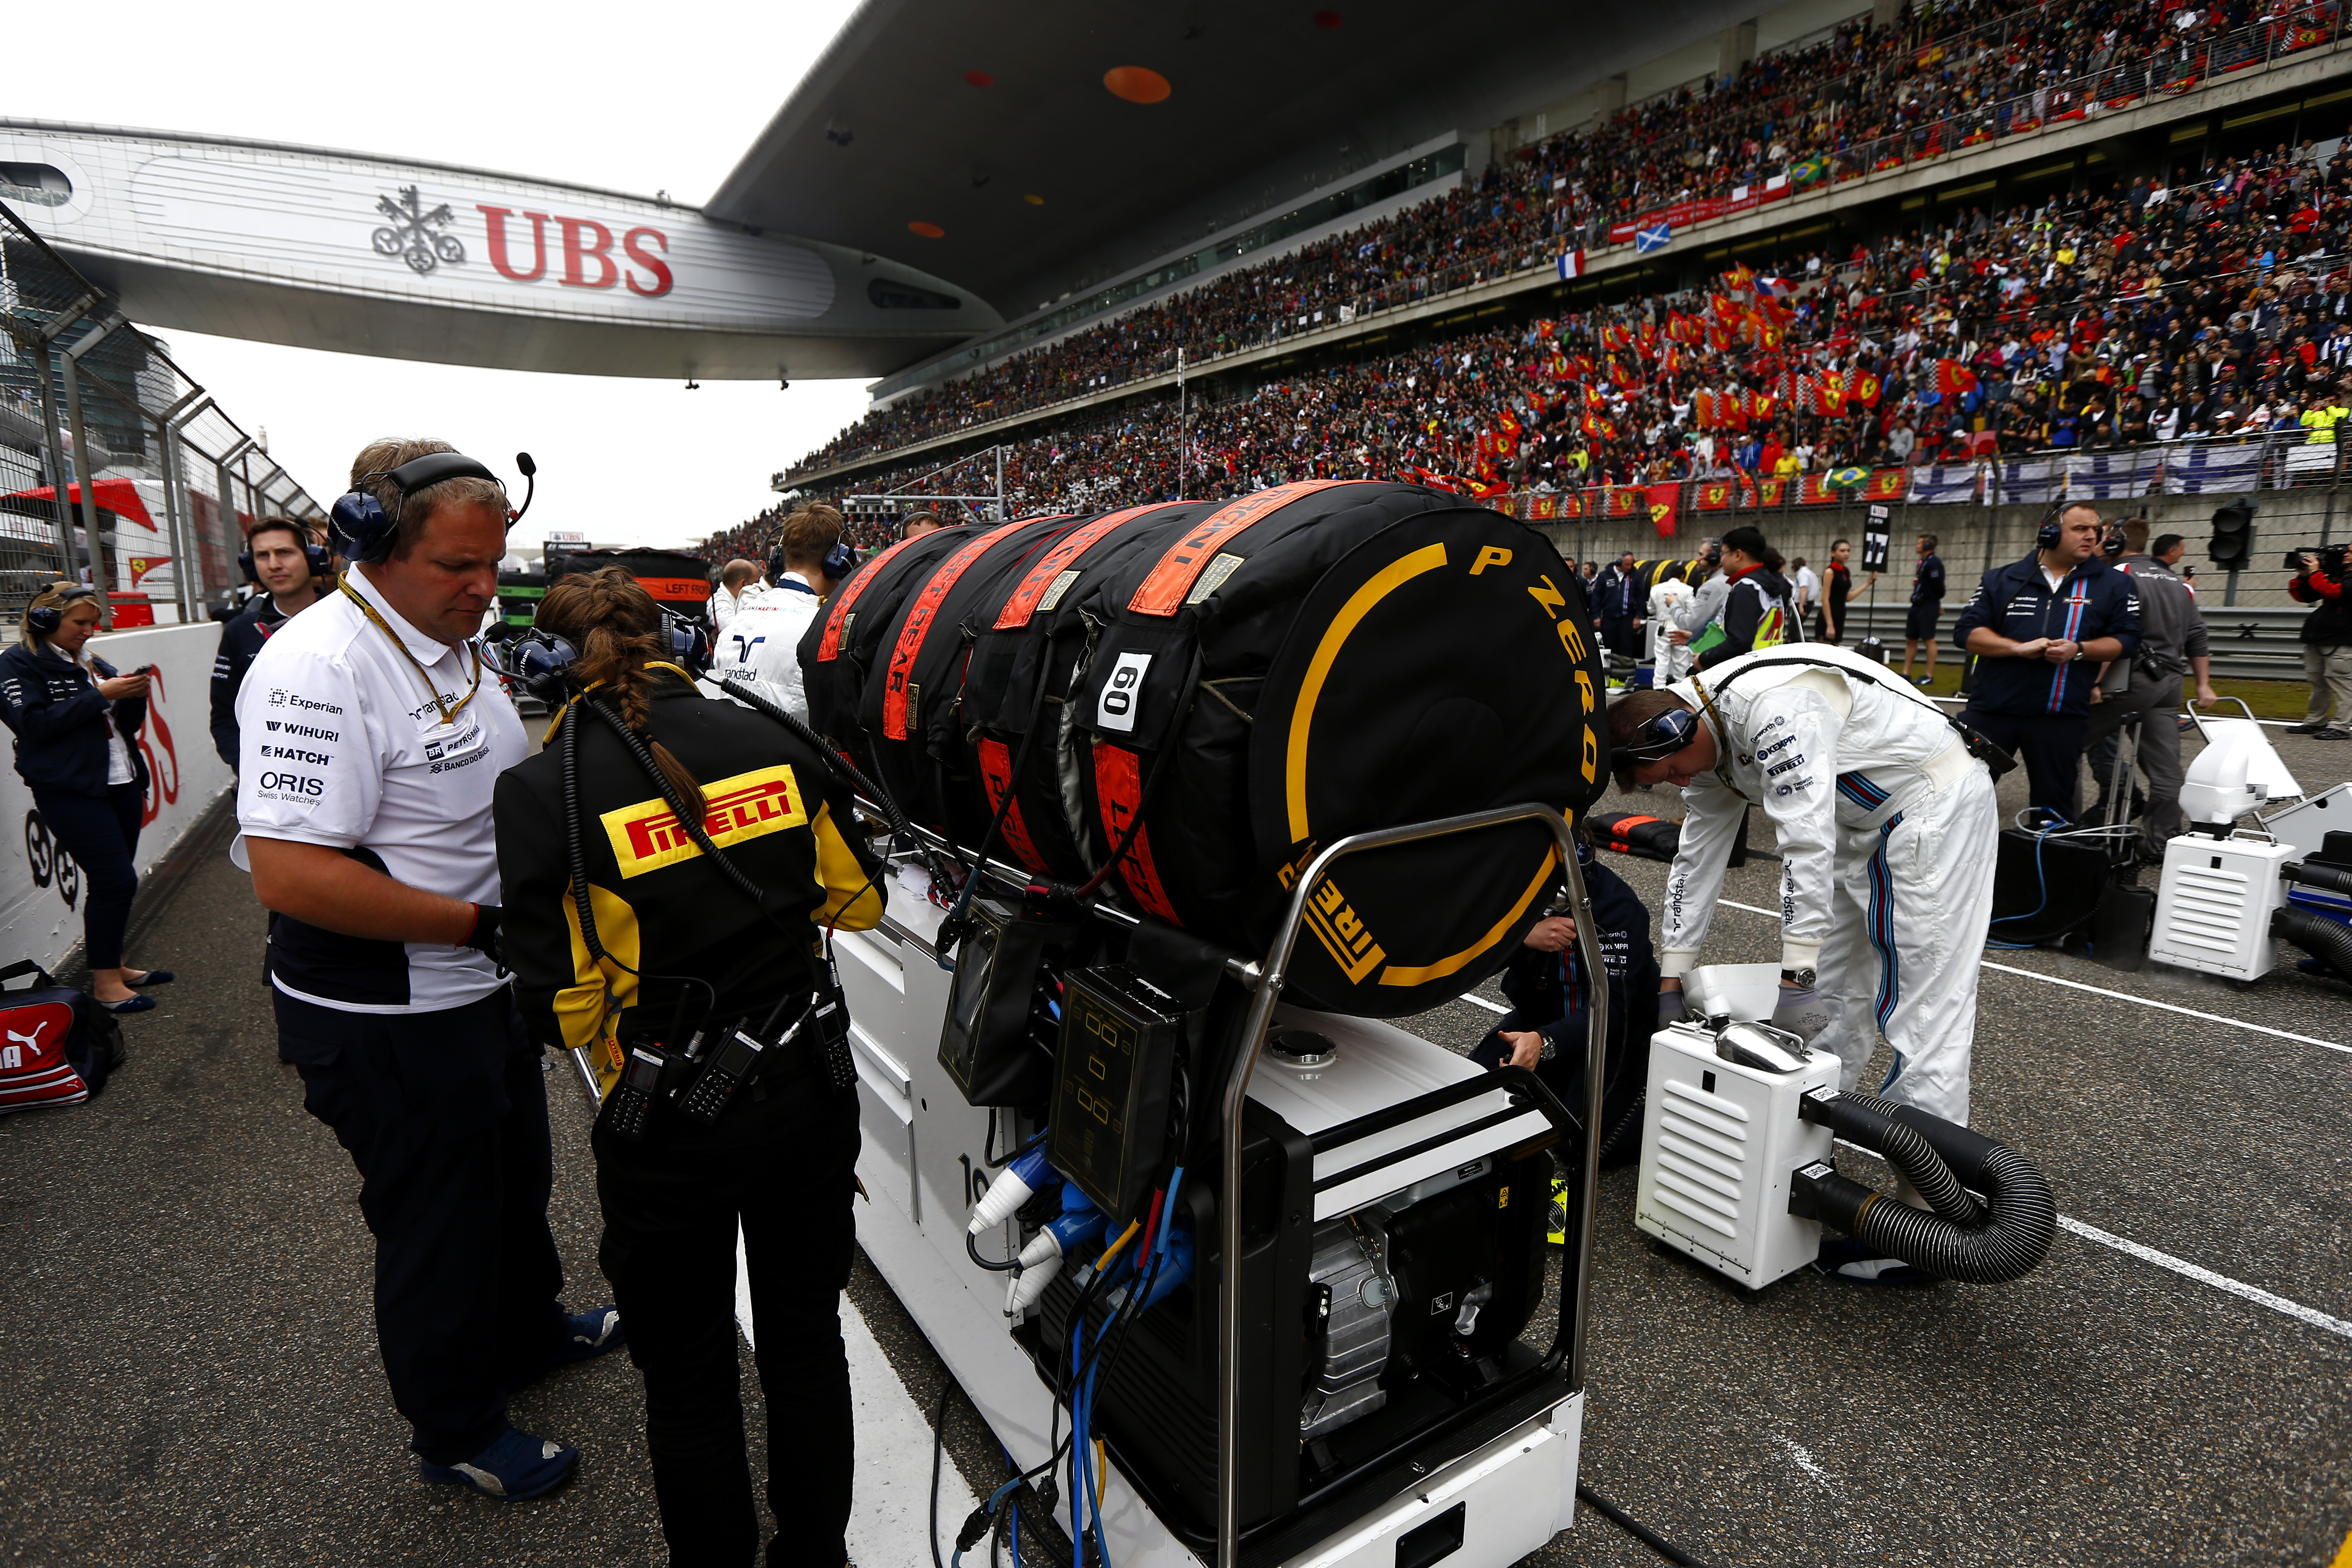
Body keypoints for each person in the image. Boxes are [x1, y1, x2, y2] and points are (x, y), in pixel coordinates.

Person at [239, 437, 622, 1502]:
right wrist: (477, 925)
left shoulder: (459, 634)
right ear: (374, 548)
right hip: (390, 1010)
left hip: (482, 982)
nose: (485, 586)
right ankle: (455, 1427)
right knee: (438, 1224)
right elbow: (290, 874)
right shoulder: (319, 667)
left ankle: (528, 1333)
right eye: (459, 565)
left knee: (515, 1181)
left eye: (494, 562)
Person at [495, 568, 886, 1568]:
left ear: (545, 665)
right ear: (672, 641)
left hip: (666, 1118)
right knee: (806, 1342)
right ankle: (816, 1556)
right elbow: (859, 904)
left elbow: (563, 1009)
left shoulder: (542, 790)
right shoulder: (771, 741)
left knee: (689, 1377)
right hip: (806, 1089)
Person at [1609, 643, 2001, 1278]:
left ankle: (1924, 1226)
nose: (1679, 784)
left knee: (1925, 1014)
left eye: (1675, 770)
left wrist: (1796, 975)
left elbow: (1803, 843)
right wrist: (1673, 976)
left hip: (1932, 811)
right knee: (1832, 1007)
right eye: (1667, 782)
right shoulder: (1699, 740)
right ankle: (1799, 1160)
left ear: (1681, 728)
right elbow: (1696, 858)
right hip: (1861, 824)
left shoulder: (1776, 708)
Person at [0, 583, 168, 1012]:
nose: (89, 631)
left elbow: (124, 727)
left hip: (121, 780)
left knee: (115, 882)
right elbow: (34, 725)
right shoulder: (16, 663)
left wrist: (133, 695)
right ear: (45, 620)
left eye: (94, 623)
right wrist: (101, 695)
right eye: (80, 623)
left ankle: (114, 966)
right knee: (115, 881)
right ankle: (106, 986)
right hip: (71, 789)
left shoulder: (91, 660)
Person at [1468, 840, 1656, 1166]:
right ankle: (1558, 1082)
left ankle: (1661, 1107)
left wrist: (1544, 1042)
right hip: (1543, 1017)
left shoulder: (1619, 909)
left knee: (1577, 1144)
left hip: (1611, 1037)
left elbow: (1614, 1010)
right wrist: (1524, 937)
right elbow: (1469, 963)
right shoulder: (1516, 893)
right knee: (1471, 1089)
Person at [1952, 501, 2142, 823]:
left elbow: (2129, 640)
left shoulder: (2114, 584)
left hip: (2061, 717)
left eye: (2095, 530)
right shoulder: (2003, 579)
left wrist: (2079, 649)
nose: (2091, 537)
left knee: (2052, 814)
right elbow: (1967, 633)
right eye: (2080, 529)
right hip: (1992, 712)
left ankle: (2044, 856)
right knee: (1960, 802)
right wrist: (2017, 649)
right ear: (2049, 533)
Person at [2084, 522, 2216, 856]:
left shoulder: (2116, 575)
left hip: (2125, 680)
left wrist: (2095, 682)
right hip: (2169, 684)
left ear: (2114, 543)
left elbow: (2110, 631)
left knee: (2062, 743)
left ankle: (2059, 830)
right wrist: (2204, 685)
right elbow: (2197, 636)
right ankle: (2160, 842)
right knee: (2166, 771)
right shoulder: (2177, 583)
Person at [710, 505, 852, 724]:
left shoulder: (739, 619)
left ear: (779, 556)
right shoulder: (824, 628)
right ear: (838, 562)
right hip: (798, 745)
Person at [211, 518, 330, 771]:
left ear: (312, 559)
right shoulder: (240, 631)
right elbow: (225, 715)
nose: (274, 565)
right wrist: (249, 767)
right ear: (252, 566)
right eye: (263, 556)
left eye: (284, 552)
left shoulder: (350, 620)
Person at [1670, 525, 1791, 670]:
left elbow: (1740, 642)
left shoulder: (1747, 588)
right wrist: (1695, 638)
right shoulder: (1766, 584)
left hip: (1748, 670)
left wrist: (1705, 659)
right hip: (1765, 665)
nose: (1721, 560)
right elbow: (1750, 632)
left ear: (1738, 555)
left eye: (1724, 553)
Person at [2286, 544, 2352, 737]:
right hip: (2321, 637)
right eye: (2346, 551)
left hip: (2343, 640)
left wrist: (2316, 573)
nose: (2345, 555)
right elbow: (2304, 596)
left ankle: (2341, 726)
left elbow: (2333, 592)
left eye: (2350, 552)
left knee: (2342, 683)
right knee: (2318, 682)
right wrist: (2303, 576)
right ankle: (2316, 722)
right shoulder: (2336, 574)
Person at [1901, 534, 1947, 686]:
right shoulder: (1922, 562)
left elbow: (1938, 587)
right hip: (1917, 604)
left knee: (1928, 638)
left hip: (1928, 604)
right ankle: (1906, 673)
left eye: (1920, 543)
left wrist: (1935, 601)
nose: (1917, 545)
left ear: (1928, 545)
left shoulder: (1934, 563)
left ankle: (1929, 675)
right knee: (1911, 639)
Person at [1592, 550, 1643, 660]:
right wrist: (1597, 616)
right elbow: (1597, 597)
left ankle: (1626, 669)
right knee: (1609, 646)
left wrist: (1639, 616)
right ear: (1619, 563)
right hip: (1609, 617)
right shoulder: (1604, 576)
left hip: (1627, 617)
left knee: (1627, 647)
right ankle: (1610, 669)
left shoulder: (1636, 576)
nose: (1630, 567)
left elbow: (1641, 597)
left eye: (1632, 564)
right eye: (1627, 564)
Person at [709, 559, 766, 636]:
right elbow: (735, 633)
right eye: (755, 583)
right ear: (743, 584)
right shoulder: (719, 604)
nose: (757, 586)